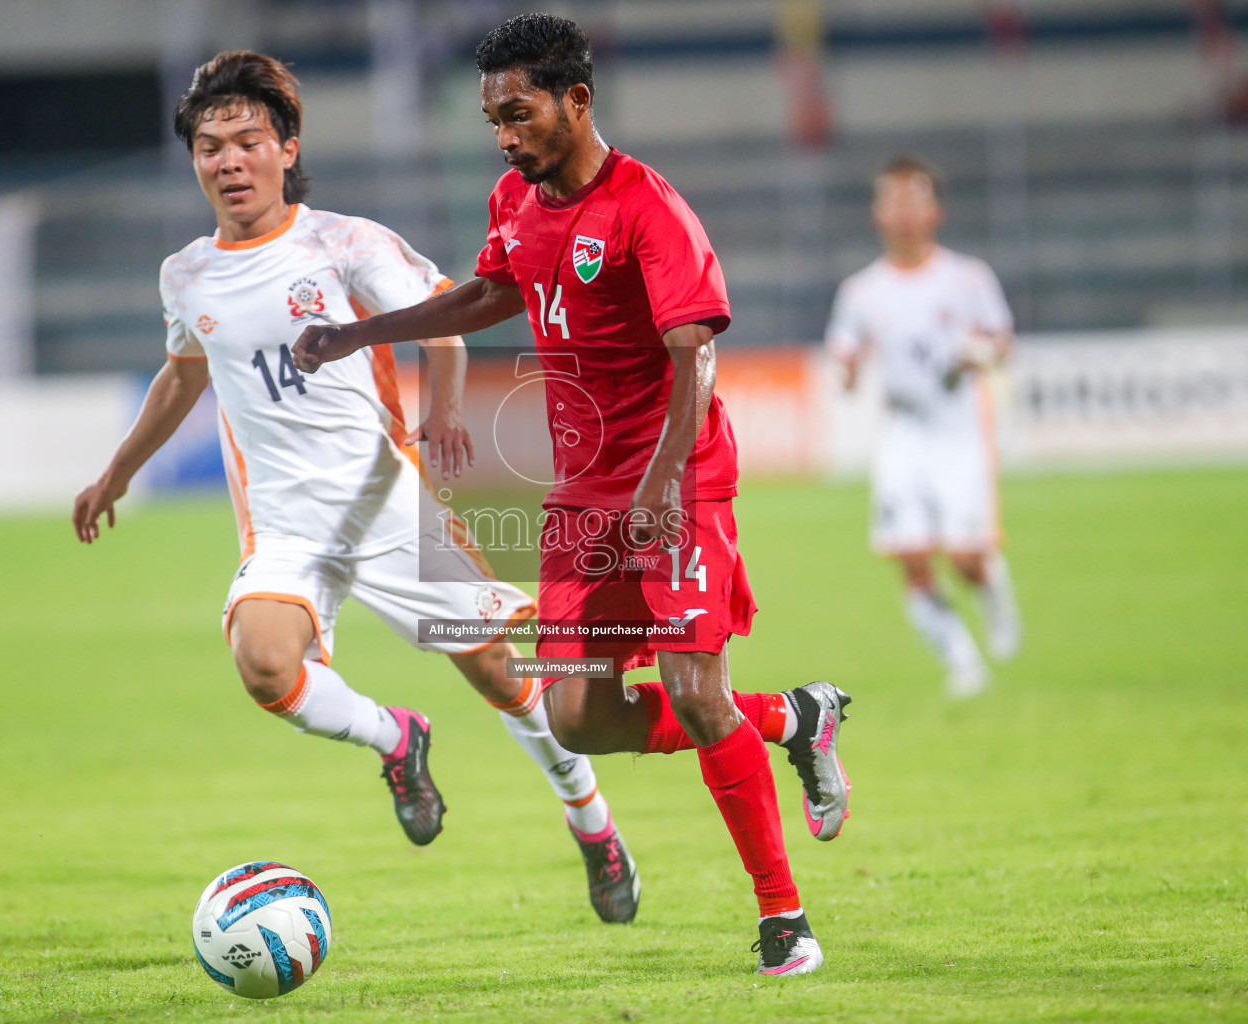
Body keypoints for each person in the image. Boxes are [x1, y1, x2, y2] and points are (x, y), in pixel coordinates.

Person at [293, 14, 851, 977]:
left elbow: (698, 356)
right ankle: (794, 717)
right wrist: (357, 334)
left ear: (576, 101)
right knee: (578, 716)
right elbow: (486, 294)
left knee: (690, 685)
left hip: (677, 475)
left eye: (519, 115)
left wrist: (665, 481)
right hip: (584, 487)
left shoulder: (649, 207)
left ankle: (784, 920)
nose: (505, 137)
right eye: (492, 120)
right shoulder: (516, 196)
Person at [71, 49, 639, 924]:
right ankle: (395, 736)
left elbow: (443, 325)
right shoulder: (186, 273)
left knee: (498, 668)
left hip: (387, 510)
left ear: (287, 148)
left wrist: (445, 415)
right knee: (264, 664)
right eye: (209, 146)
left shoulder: (344, 243)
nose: (227, 161)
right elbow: (183, 373)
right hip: (285, 530)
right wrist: (116, 472)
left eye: (247, 141)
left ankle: (590, 819)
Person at [825, 156, 1023, 698]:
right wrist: (846, 371)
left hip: (958, 434)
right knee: (912, 558)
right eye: (894, 199)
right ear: (877, 214)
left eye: (915, 198)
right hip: (903, 436)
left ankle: (992, 586)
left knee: (963, 559)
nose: (905, 210)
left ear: (936, 210)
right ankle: (963, 663)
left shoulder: (967, 278)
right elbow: (844, 354)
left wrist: (980, 353)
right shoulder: (862, 292)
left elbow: (1003, 343)